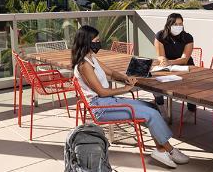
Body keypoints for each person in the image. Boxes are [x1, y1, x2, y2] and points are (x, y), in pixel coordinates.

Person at [72, 25, 189, 168]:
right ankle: (168, 149)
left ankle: (161, 149)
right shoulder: (84, 65)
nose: (98, 43)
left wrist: (125, 78)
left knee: (152, 107)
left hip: (108, 101)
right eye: (96, 40)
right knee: (151, 114)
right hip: (100, 107)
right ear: (86, 42)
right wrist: (125, 89)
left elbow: (112, 73)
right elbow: (102, 92)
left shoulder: (91, 58)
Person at [154, 13, 196, 114]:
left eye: (180, 24)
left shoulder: (188, 37)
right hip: (168, 68)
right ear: (168, 25)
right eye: (175, 24)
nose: (178, 27)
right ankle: (160, 105)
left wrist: (169, 62)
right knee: (153, 82)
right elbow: (160, 55)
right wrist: (163, 61)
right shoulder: (160, 36)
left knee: (191, 86)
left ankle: (191, 110)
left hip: (186, 67)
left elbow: (185, 59)